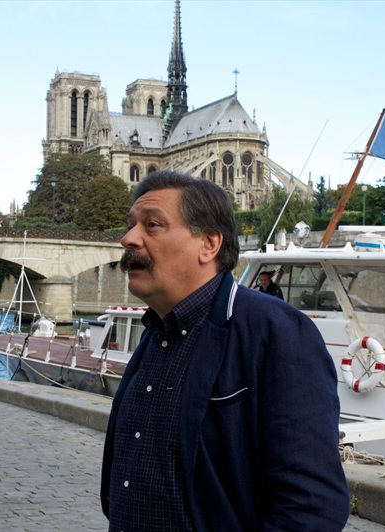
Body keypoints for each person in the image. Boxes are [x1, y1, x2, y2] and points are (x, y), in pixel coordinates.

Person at [100, 169, 350, 531]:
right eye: (131, 225)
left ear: (209, 245)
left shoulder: (276, 333)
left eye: (151, 225)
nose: (128, 238)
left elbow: (311, 507)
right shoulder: (156, 330)